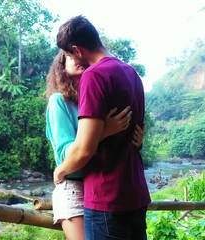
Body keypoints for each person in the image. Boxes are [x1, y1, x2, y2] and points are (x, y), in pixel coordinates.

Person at [53, 15, 151, 240]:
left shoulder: (94, 75)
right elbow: (135, 135)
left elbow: (84, 149)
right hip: (136, 192)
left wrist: (61, 170)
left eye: (68, 55)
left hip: (107, 196)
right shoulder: (132, 73)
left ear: (77, 50)